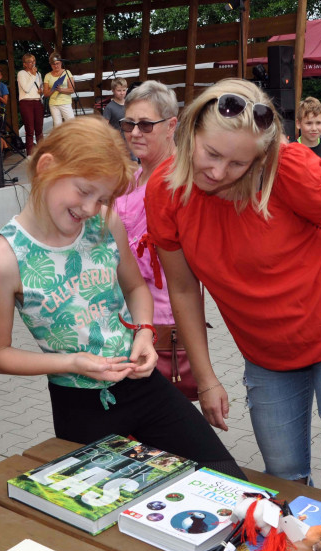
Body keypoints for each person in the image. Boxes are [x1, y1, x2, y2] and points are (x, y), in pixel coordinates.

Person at [144, 79, 321, 496]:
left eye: (238, 164)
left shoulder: (287, 168)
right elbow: (184, 291)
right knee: (283, 479)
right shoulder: (165, 191)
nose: (219, 172)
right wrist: (206, 381)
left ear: (260, 158)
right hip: (267, 354)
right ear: (190, 131)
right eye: (212, 153)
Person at [0, 116, 245, 480]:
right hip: (79, 403)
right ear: (46, 168)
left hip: (142, 384)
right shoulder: (4, 260)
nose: (90, 208)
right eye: (84, 191)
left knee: (225, 476)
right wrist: (72, 363)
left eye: (102, 198)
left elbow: (136, 289)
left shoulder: (105, 221)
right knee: (110, 516)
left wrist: (145, 334)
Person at [107, 81, 186, 392]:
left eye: (145, 125)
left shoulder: (181, 179)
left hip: (163, 321)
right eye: (128, 124)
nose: (135, 132)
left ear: (170, 126)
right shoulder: (136, 176)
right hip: (128, 319)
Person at [17, 52, 43, 154]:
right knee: (30, 130)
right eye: (29, 62)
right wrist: (32, 75)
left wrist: (41, 91)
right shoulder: (21, 73)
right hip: (26, 102)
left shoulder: (39, 74)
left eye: (33, 61)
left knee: (39, 130)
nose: (32, 64)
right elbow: (26, 89)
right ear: (24, 64)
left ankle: (42, 152)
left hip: (37, 101)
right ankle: (30, 154)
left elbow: (39, 88)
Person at [43, 52, 74, 128]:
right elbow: (45, 94)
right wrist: (53, 88)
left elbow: (72, 89)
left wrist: (61, 90)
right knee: (57, 126)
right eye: (53, 64)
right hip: (53, 104)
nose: (56, 66)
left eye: (58, 63)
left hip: (65, 102)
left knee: (71, 124)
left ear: (61, 63)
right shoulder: (47, 75)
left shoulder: (67, 72)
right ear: (51, 65)